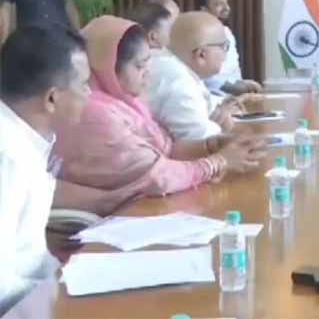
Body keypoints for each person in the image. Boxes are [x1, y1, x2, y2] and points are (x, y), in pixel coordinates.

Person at [53, 16, 266, 202]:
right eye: (139, 66)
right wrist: (219, 161)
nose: (148, 72)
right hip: (112, 218)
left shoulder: (127, 102)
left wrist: (212, 145)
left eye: (148, 63)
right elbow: (156, 177)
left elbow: (165, 150)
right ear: (108, 67)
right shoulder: (94, 113)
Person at [0, 26, 94, 313]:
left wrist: (68, 276)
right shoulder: (8, 157)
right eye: (84, 85)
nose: (90, 94)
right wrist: (60, 295)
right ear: (51, 98)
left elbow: (30, 251)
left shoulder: (26, 138)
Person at [145, 11, 241, 140]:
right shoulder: (177, 79)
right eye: (224, 47)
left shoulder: (169, 62)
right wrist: (222, 126)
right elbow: (200, 139)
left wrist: (221, 110)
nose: (225, 55)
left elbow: (208, 107)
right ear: (201, 54)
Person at [195, 0, 261, 95]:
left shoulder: (227, 32)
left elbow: (233, 69)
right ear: (204, 10)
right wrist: (232, 87)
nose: (226, 8)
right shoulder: (197, 34)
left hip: (235, 95)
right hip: (213, 97)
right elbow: (205, 77)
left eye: (226, 3)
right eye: (218, 4)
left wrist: (243, 84)